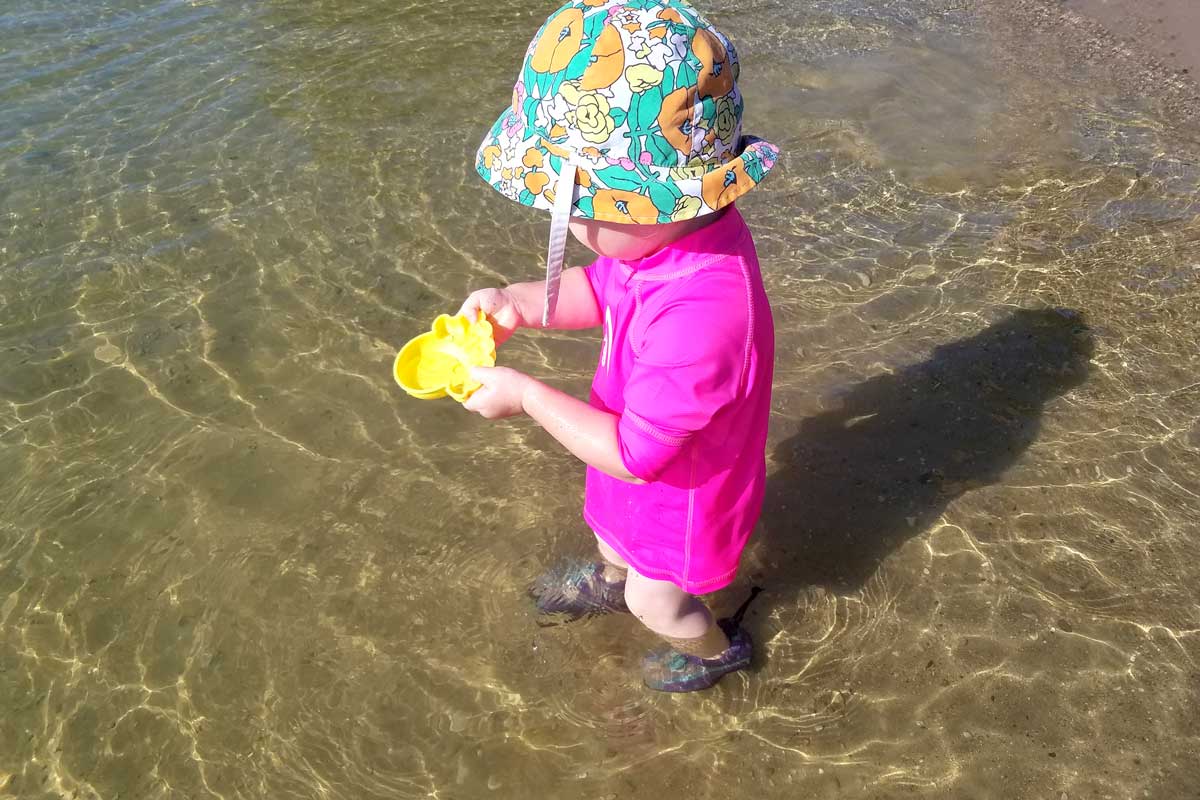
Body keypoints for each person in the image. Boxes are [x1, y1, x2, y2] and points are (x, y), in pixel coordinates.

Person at [459, 0, 778, 692]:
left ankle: (715, 650)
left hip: (684, 489)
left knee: (656, 599)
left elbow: (637, 456)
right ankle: (610, 574)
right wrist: (516, 303)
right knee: (609, 535)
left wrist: (526, 395)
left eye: (577, 208)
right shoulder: (668, 243)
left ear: (654, 204)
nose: (564, 222)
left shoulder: (705, 309)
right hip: (636, 446)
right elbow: (606, 287)